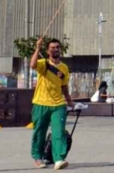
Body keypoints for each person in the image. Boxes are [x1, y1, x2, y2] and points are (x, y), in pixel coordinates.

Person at [29, 38, 74, 169]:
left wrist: (69, 100)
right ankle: (38, 157)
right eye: (52, 47)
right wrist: (37, 48)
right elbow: (32, 65)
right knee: (39, 131)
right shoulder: (43, 63)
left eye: (57, 47)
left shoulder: (64, 67)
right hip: (41, 103)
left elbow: (64, 85)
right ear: (48, 50)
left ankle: (59, 159)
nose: (55, 49)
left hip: (58, 104)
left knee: (58, 132)